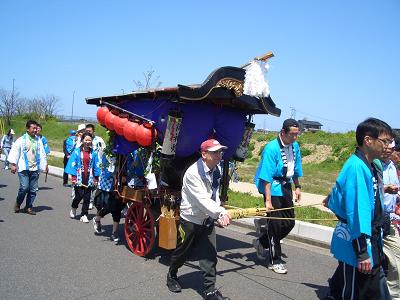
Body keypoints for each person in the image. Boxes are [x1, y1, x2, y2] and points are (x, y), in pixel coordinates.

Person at [326, 118, 392, 300]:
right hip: (358, 241)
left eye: (390, 142)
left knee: (377, 291)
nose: (388, 146)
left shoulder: (373, 164)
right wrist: (362, 253)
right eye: (385, 141)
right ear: (368, 140)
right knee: (353, 291)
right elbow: (356, 213)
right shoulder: (356, 167)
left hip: (373, 237)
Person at [166, 139, 232, 300]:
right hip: (190, 220)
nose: (219, 155)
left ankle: (210, 291)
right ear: (204, 154)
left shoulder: (215, 170)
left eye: (220, 152)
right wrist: (220, 213)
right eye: (215, 152)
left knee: (209, 255)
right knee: (183, 252)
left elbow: (213, 195)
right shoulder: (192, 173)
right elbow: (202, 200)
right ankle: (172, 275)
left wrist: (217, 213)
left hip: (207, 220)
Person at [253, 118, 303, 274]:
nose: (295, 138)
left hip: (286, 186)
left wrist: (298, 187)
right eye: (292, 134)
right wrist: (267, 200)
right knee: (275, 225)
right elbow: (266, 176)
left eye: (297, 134)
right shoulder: (271, 149)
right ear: (283, 132)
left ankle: (261, 241)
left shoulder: (295, 146)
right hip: (272, 188)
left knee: (289, 222)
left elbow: (296, 168)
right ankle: (275, 260)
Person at [7, 120, 48, 215]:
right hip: (23, 168)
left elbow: (42, 153)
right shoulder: (21, 140)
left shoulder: (38, 140)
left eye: (36, 128)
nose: (35, 130)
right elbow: (15, 151)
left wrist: (45, 164)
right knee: (24, 187)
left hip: (35, 168)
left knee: (33, 189)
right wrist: (13, 164)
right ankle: (18, 203)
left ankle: (29, 207)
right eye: (33, 128)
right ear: (27, 129)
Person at [65, 131, 100, 223]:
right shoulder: (76, 152)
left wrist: (96, 178)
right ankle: (74, 207)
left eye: (89, 140)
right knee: (78, 196)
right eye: (86, 140)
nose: (88, 142)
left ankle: (84, 214)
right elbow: (73, 164)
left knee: (87, 197)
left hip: (89, 177)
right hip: (79, 177)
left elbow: (96, 166)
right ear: (82, 140)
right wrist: (73, 178)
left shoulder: (94, 153)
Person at [381, 140, 400, 299]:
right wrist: (386, 188)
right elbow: (365, 188)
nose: (389, 151)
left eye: (391, 148)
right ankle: (337, 287)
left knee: (396, 259)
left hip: (389, 219)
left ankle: (393, 296)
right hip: (373, 219)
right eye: (386, 147)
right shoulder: (370, 164)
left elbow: (397, 193)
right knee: (364, 261)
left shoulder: (392, 166)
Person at [92, 153, 124, 242]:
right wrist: (116, 174)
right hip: (109, 186)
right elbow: (106, 172)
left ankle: (114, 233)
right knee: (110, 207)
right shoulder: (107, 154)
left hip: (121, 185)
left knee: (118, 208)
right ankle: (97, 219)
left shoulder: (126, 154)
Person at [85, 124, 106, 210]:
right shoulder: (85, 140)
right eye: (86, 131)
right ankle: (89, 201)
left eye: (89, 131)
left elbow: (105, 150)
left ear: (94, 131)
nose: (88, 132)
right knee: (89, 184)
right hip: (88, 165)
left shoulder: (99, 140)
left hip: (98, 165)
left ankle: (94, 200)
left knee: (96, 183)